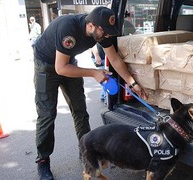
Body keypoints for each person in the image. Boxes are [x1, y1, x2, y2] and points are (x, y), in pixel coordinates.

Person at [33, 6, 148, 180]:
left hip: (68, 63)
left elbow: (115, 59)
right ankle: (43, 161)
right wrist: (94, 72)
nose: (107, 36)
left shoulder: (102, 31)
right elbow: (60, 68)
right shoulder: (68, 29)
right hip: (47, 66)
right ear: (91, 25)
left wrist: (133, 84)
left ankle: (86, 154)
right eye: (105, 32)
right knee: (47, 115)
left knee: (80, 112)